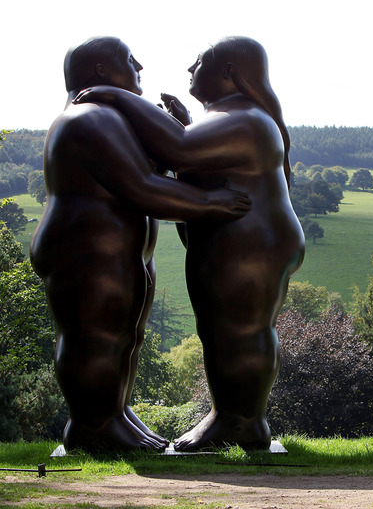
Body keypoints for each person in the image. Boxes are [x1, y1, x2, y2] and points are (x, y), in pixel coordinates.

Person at [74, 36, 305, 452]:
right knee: (221, 331)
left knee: (238, 331)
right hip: (235, 242)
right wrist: (181, 122)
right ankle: (229, 416)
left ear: (229, 72)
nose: (189, 70)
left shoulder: (245, 118)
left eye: (199, 62)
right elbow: (189, 154)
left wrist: (117, 97)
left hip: (248, 245)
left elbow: (179, 151)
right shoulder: (231, 115)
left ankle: (240, 422)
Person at [30, 36, 251, 453]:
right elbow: (141, 187)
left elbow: (167, 159)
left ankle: (113, 413)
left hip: (115, 253)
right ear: (100, 71)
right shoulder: (88, 119)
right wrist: (210, 203)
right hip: (86, 252)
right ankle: (91, 424)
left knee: (125, 337)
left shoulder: (110, 117)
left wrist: (179, 126)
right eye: (130, 60)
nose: (140, 67)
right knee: (94, 337)